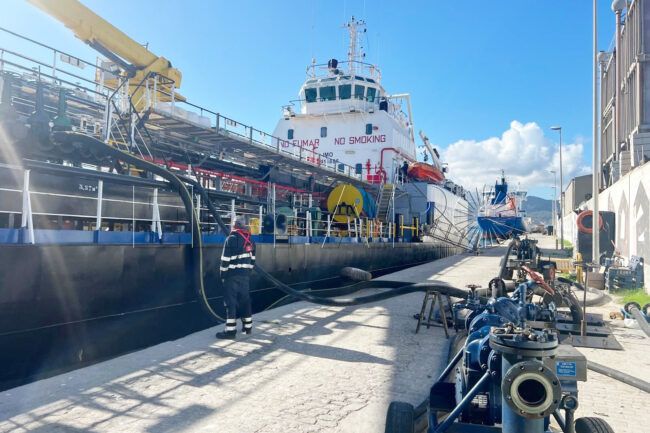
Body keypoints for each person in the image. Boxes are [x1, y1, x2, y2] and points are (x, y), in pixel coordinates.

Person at [216, 217, 256, 339]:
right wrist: (247, 273)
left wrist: (223, 276)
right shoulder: (251, 240)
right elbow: (253, 260)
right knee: (245, 301)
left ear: (234, 226)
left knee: (231, 303)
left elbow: (225, 261)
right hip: (245, 276)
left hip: (231, 276)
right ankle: (248, 327)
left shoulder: (230, 239)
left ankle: (230, 331)